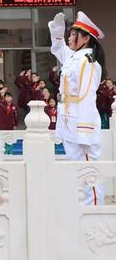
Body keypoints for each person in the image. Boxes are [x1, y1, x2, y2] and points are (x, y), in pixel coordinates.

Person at [48, 11, 106, 205]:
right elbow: (58, 49)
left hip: (80, 124)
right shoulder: (75, 58)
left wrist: (84, 131)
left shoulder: (88, 63)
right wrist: (57, 31)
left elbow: (87, 96)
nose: (70, 38)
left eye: (74, 34)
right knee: (76, 169)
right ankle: (82, 212)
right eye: (70, 34)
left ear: (86, 38)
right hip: (68, 120)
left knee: (88, 170)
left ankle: (94, 215)